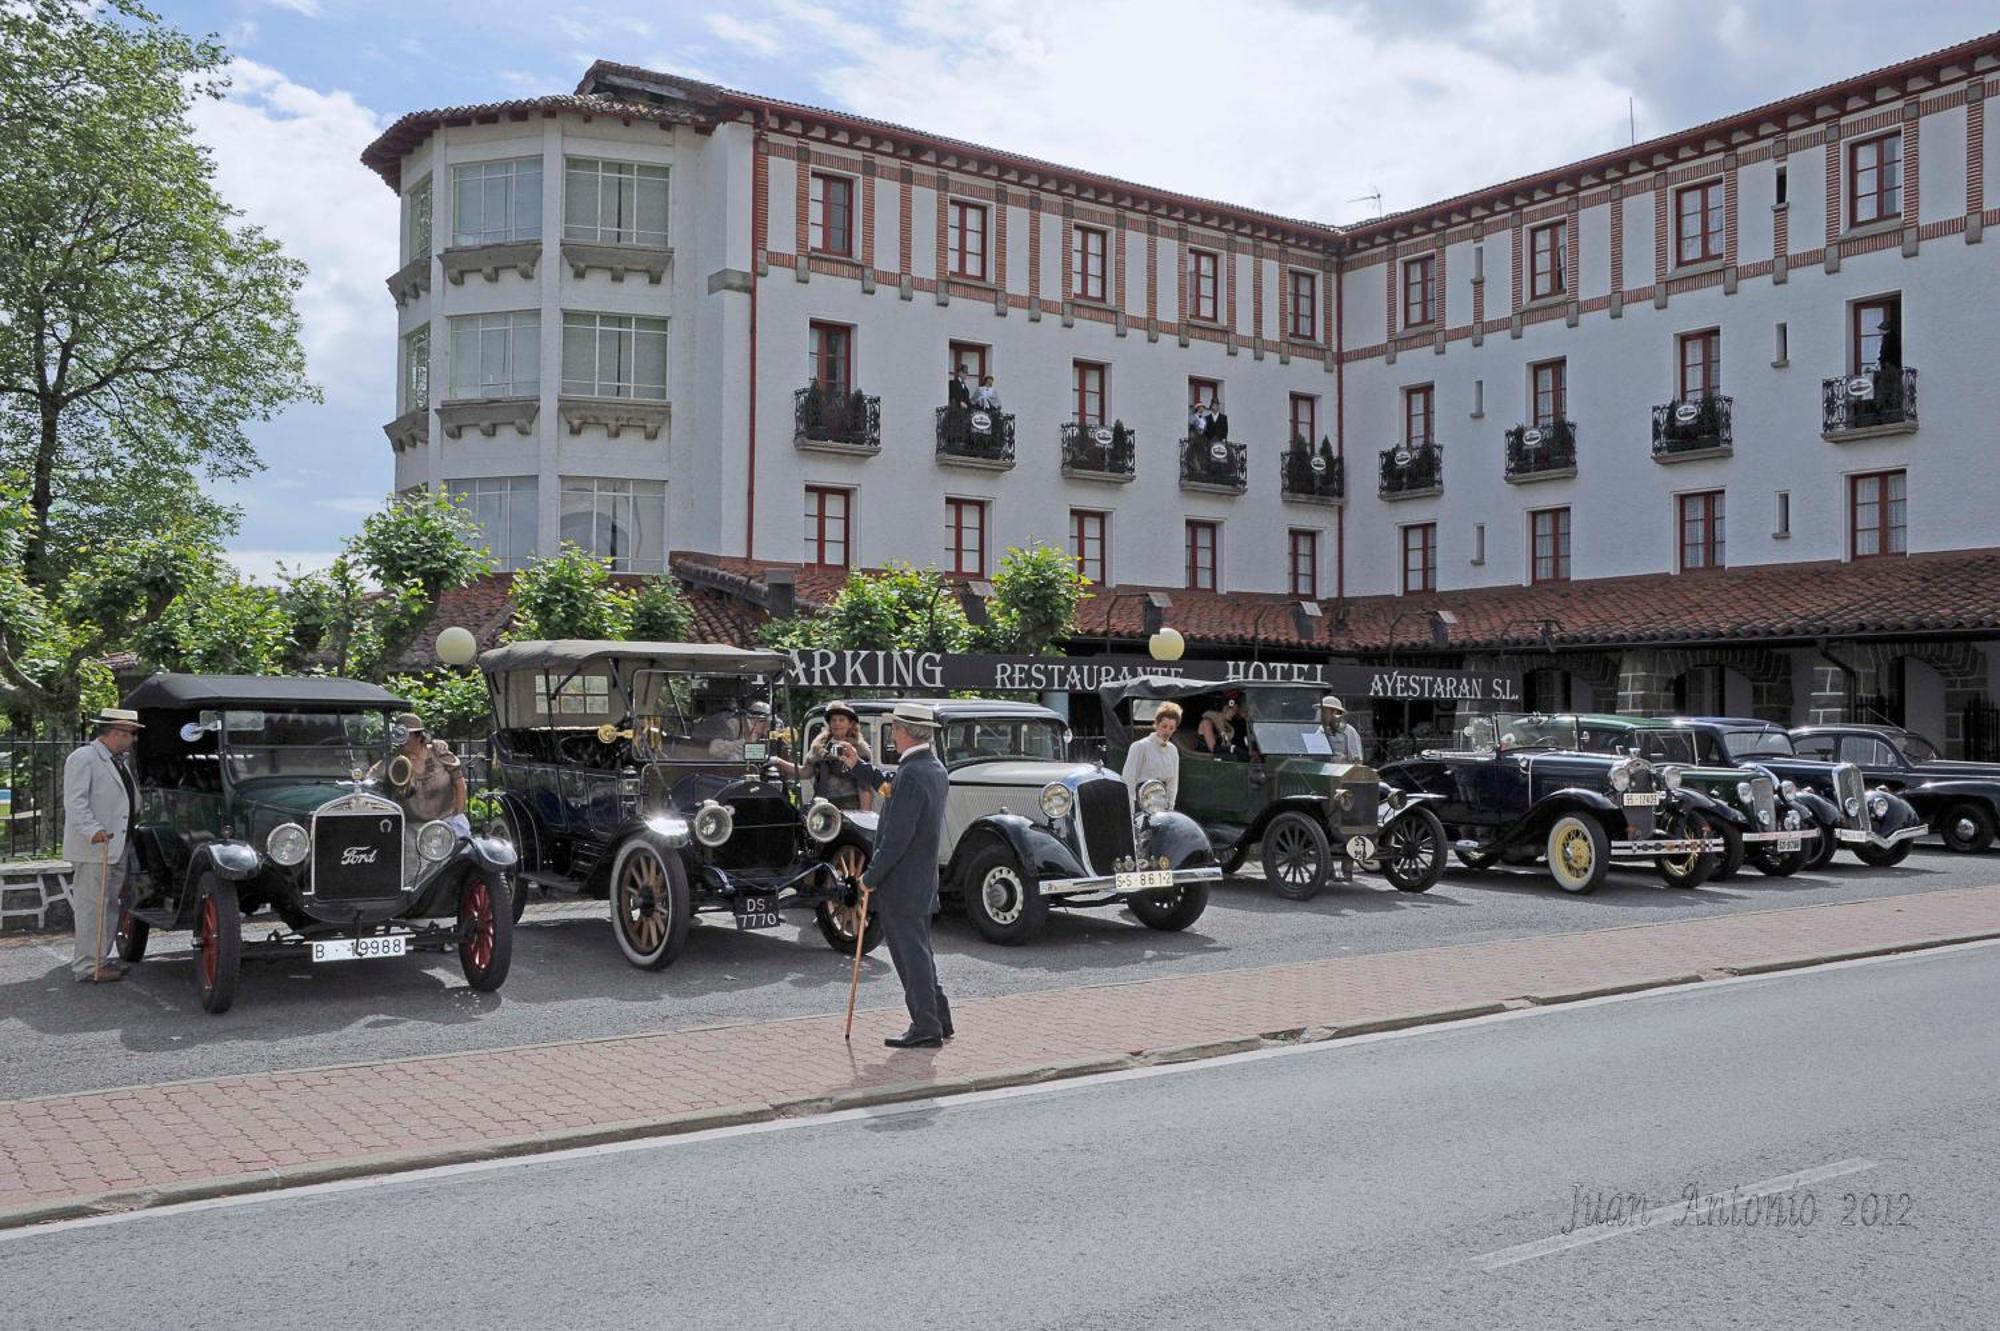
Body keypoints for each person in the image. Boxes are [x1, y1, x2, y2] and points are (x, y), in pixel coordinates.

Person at [845, 703, 951, 1048]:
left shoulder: (912, 773)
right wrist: (860, 768)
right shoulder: (932, 768)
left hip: (902, 883)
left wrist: (870, 877)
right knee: (921, 952)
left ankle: (926, 1027)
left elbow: (896, 838)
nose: (892, 734)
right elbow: (891, 789)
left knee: (911, 957)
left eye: (894, 728)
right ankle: (939, 1019)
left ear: (903, 731)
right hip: (921, 880)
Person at [62, 707, 144, 983]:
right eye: (128, 734)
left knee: (106, 905)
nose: (131, 739)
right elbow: (75, 801)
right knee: (92, 906)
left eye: (132, 734)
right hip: (97, 846)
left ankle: (99, 960)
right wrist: (92, 830)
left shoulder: (115, 760)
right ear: (114, 733)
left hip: (115, 844)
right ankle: (88, 966)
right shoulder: (84, 758)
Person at [373, 712, 469, 836]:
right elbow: (371, 780)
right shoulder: (394, 761)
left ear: (419, 736)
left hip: (444, 825)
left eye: (407, 735)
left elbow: (459, 783)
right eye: (399, 735)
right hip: (410, 829)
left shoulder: (439, 753)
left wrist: (458, 816)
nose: (403, 740)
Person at [807, 703, 875, 811]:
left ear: (850, 724)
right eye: (833, 720)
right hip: (821, 807)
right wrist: (778, 762)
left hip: (848, 808)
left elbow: (864, 788)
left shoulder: (859, 750)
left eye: (841, 720)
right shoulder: (819, 747)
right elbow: (805, 772)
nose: (837, 723)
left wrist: (864, 818)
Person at [1121, 701, 1182, 805]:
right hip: (1142, 801)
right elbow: (1129, 778)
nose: (1167, 731)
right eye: (1164, 726)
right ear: (1157, 725)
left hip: (1161, 803)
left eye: (1171, 728)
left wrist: (1170, 806)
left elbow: (1173, 782)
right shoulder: (1140, 746)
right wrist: (1131, 808)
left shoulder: (1173, 750)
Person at [1198, 692, 1249, 759]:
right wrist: (1233, 749)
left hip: (1223, 757)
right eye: (1232, 710)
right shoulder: (1207, 722)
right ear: (1224, 708)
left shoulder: (1227, 725)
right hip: (1208, 760)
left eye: (1235, 710)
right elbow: (1213, 749)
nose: (1234, 713)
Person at [1319, 696, 1364, 762]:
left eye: (1325, 712)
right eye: (1321, 712)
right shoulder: (1320, 731)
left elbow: (1357, 760)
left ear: (1335, 712)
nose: (1322, 716)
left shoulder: (1349, 731)